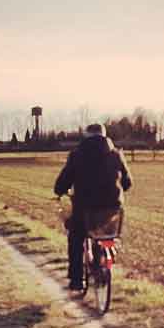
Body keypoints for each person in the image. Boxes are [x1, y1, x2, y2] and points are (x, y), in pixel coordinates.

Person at [54, 123, 132, 290]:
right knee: (104, 235)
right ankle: (103, 264)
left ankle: (77, 280)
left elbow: (63, 181)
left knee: (76, 237)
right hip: (111, 211)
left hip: (85, 209)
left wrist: (60, 191)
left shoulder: (76, 155)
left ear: (86, 136)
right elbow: (128, 182)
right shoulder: (116, 155)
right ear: (105, 136)